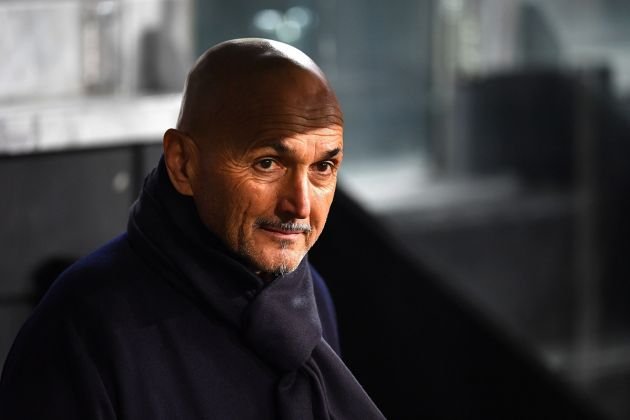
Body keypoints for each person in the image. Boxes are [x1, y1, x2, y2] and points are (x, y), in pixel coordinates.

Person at [0, 38, 385, 419]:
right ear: (183, 164)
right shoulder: (83, 329)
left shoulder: (308, 296)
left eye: (323, 167)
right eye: (267, 163)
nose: (300, 205)